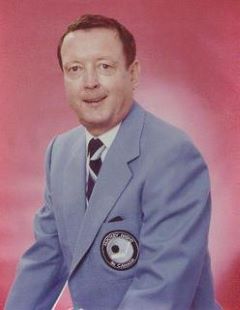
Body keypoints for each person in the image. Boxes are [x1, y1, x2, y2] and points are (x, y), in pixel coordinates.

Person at [5, 14, 221, 310]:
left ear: (133, 74)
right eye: (75, 69)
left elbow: (161, 291)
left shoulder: (173, 155)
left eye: (104, 66)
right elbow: (45, 259)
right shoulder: (61, 151)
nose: (90, 82)